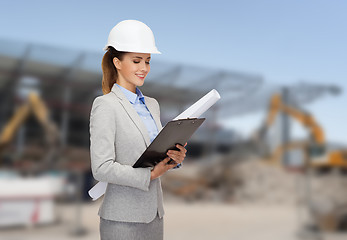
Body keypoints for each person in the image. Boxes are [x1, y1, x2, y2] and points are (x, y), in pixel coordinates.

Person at [89, 19, 187, 240]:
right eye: (136, 61)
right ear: (117, 62)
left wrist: (174, 157)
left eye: (148, 61)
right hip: (122, 221)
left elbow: (155, 153)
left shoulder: (152, 105)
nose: (144, 68)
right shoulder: (105, 105)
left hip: (154, 216)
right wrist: (150, 175)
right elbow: (102, 167)